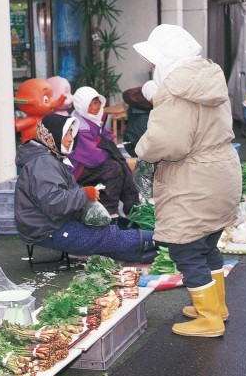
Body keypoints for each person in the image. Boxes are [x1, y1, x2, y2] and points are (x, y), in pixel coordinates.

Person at [133, 24, 242, 338]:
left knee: (185, 249)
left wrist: (141, 151)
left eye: (156, 59)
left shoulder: (176, 90)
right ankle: (216, 306)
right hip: (221, 171)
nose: (153, 66)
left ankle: (209, 319)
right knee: (207, 243)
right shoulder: (208, 80)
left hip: (194, 177)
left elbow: (169, 143)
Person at [14, 113, 158, 264]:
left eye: (71, 132)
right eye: (66, 133)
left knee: (107, 242)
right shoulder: (43, 163)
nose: (70, 138)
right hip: (49, 230)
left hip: (52, 224)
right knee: (107, 236)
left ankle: (157, 254)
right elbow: (54, 203)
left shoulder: (49, 157)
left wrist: (82, 195)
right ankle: (163, 241)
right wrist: (84, 194)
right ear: (51, 135)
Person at [69, 86, 140, 219]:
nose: (95, 107)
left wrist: (106, 147)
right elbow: (94, 158)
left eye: (96, 102)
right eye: (90, 104)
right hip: (77, 171)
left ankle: (132, 208)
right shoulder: (78, 125)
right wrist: (109, 149)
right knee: (114, 167)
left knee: (120, 164)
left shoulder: (92, 118)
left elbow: (107, 136)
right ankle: (109, 211)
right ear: (81, 106)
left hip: (88, 165)